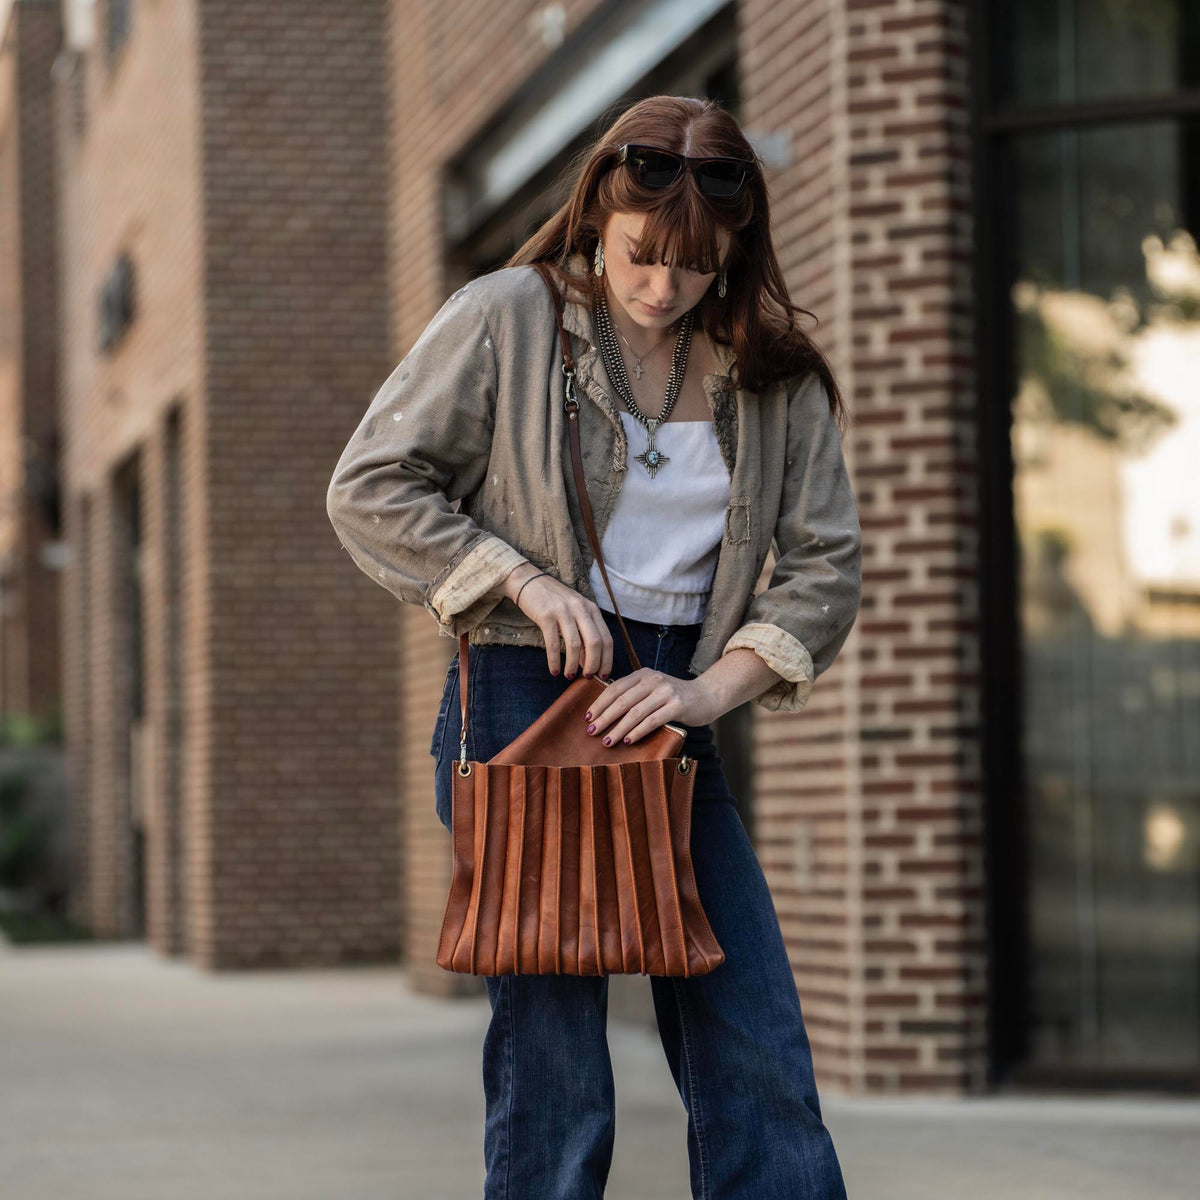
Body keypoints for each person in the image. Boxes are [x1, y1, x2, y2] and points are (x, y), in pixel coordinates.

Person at [327, 94, 860, 1199]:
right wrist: (515, 578)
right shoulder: (508, 317)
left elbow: (824, 572)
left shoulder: (777, 378)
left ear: (736, 253)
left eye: (698, 265)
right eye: (639, 255)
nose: (663, 287)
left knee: (751, 1031)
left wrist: (709, 693)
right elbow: (371, 487)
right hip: (524, 698)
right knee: (556, 1059)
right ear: (596, 217)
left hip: (673, 710)